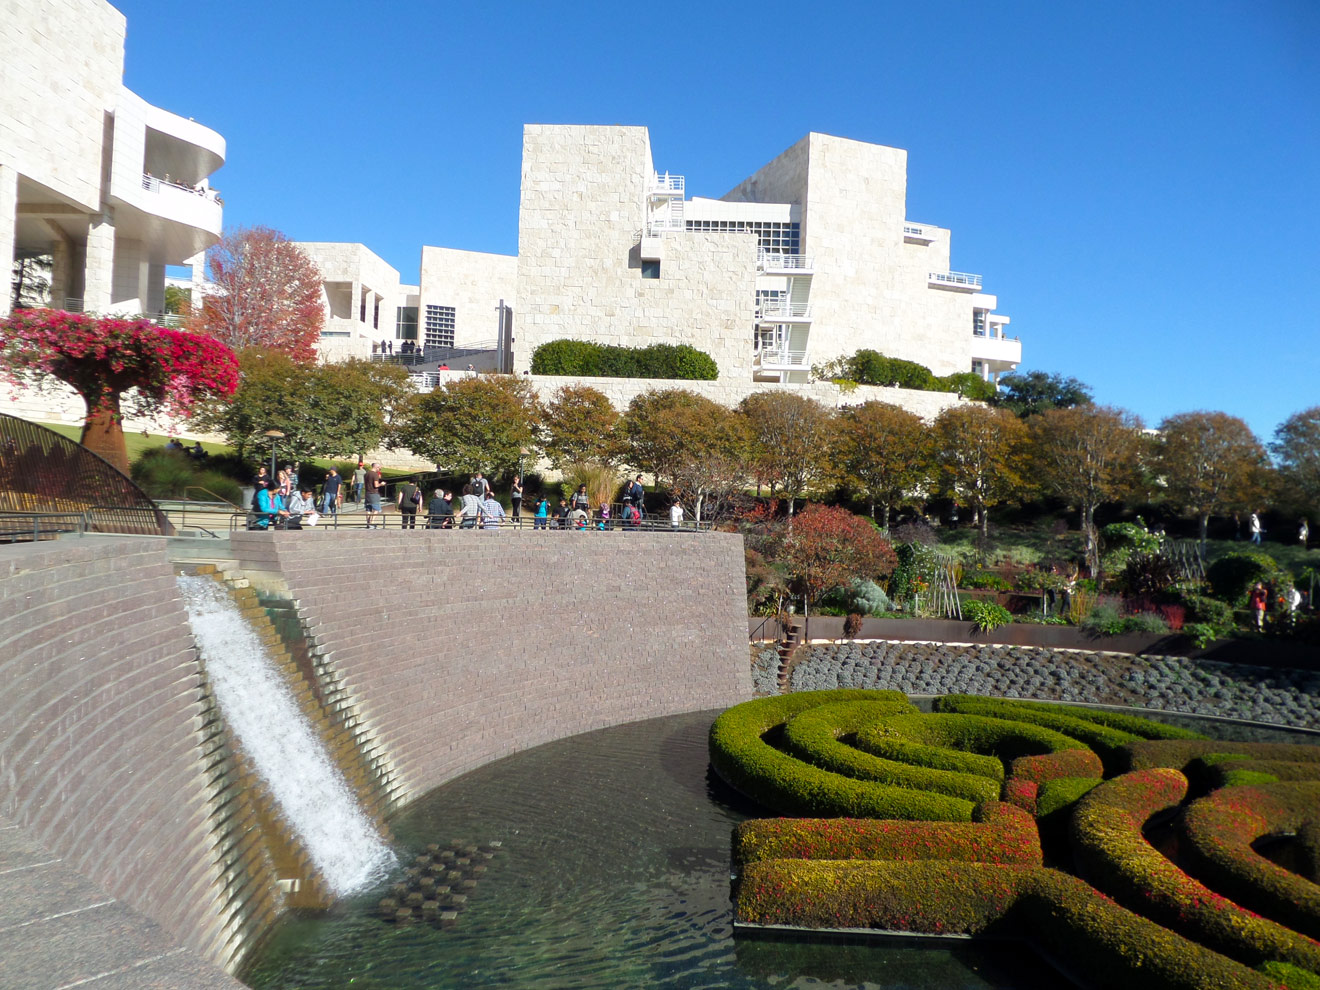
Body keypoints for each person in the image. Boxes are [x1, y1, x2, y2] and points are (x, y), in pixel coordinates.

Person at [364, 462, 385, 529]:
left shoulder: (366, 474)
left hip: (367, 493)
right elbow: (376, 485)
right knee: (377, 508)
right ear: (376, 467)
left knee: (368, 509)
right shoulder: (375, 475)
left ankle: (368, 523)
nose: (379, 470)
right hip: (373, 493)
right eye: (379, 468)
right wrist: (381, 484)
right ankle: (372, 523)